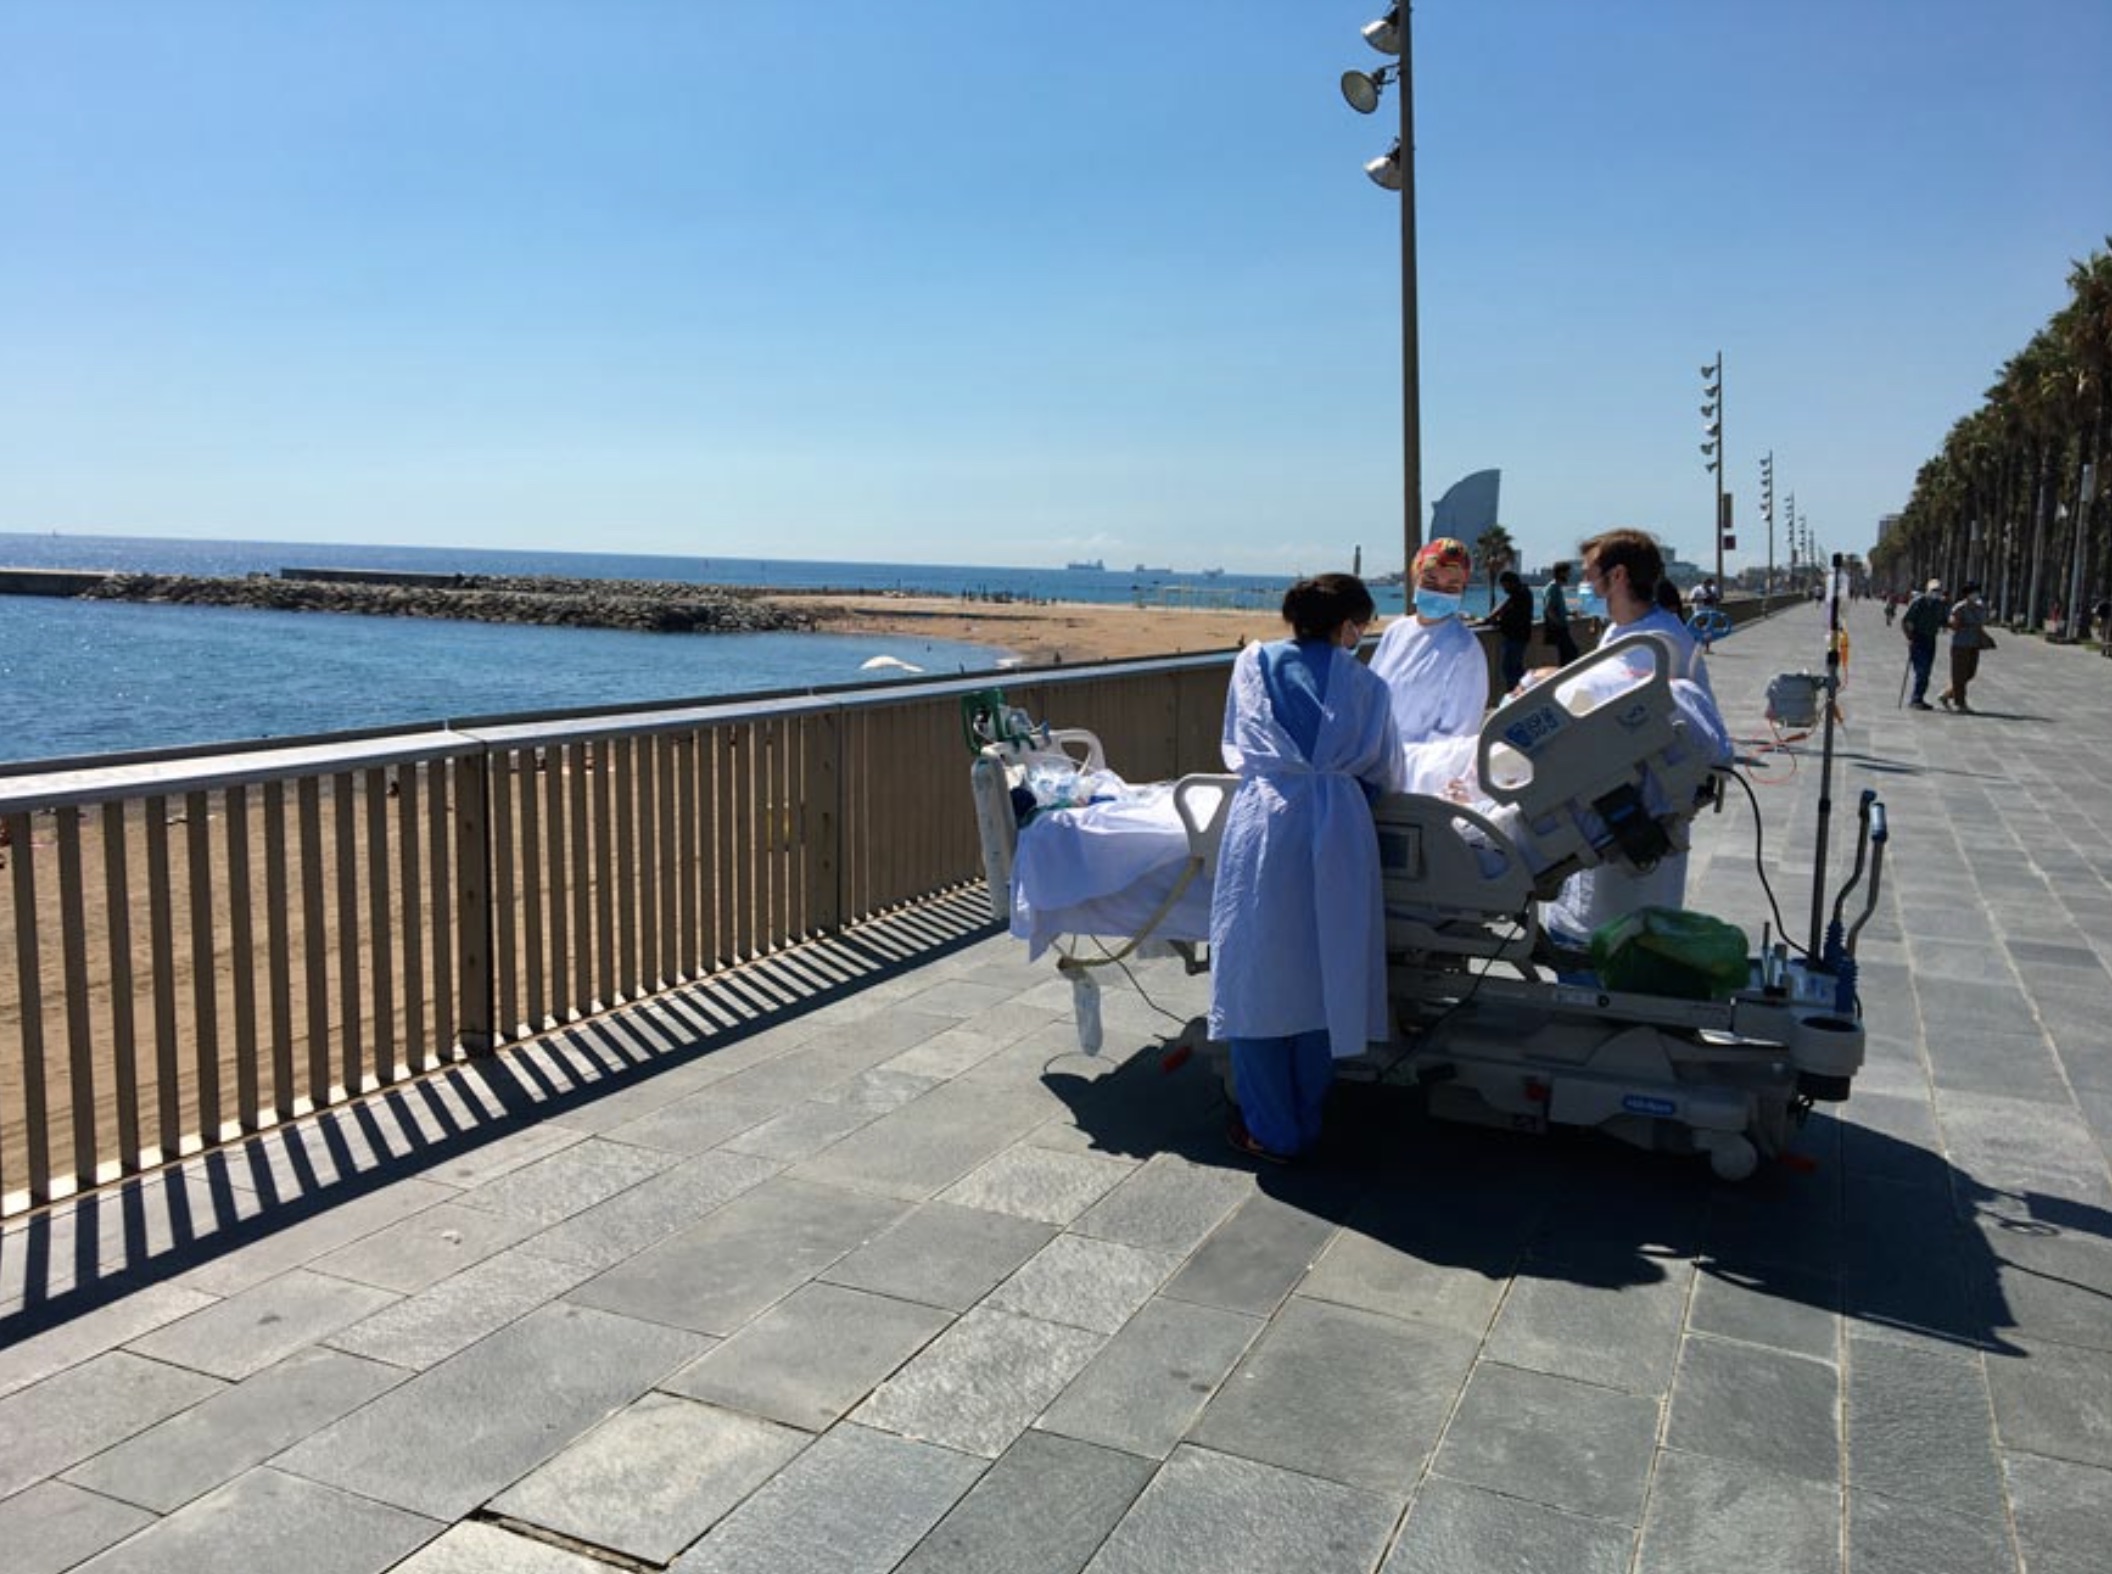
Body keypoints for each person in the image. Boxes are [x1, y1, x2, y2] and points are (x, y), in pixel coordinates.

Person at [1210, 573, 1405, 1162]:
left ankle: (1271, 1125)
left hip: (1266, 819)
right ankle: (1306, 1110)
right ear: (1349, 624)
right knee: (1327, 966)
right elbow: (1385, 771)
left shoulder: (1252, 663)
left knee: (1257, 971)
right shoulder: (1369, 686)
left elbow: (1237, 743)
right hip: (1340, 825)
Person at [1541, 528, 1723, 954]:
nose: (1584, 586)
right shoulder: (1631, 633)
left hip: (1628, 812)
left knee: (1616, 932)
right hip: (1616, 807)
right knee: (1620, 927)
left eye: (1590, 576)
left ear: (1617, 576)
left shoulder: (1656, 644)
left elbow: (1611, 715)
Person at [1368, 537, 1489, 790]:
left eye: (1451, 586)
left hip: (1418, 780)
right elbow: (1370, 695)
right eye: (1431, 582)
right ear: (1415, 579)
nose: (1439, 592)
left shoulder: (1464, 648)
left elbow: (1457, 735)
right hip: (1373, 767)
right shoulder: (1396, 631)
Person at [1938, 581, 1990, 712]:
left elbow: (1983, 622)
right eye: (1973, 592)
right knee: (1959, 674)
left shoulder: (1980, 607)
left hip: (1974, 643)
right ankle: (1960, 703)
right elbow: (1953, 624)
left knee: (1970, 673)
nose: (1976, 595)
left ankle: (1946, 694)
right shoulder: (1959, 607)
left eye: (1977, 592)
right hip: (1960, 644)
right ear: (1967, 594)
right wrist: (1954, 622)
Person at [1483, 569, 1535, 695]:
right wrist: (1492, 618)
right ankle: (1522, 692)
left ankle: (1517, 694)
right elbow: (1504, 606)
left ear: (1511, 583)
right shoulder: (1522, 592)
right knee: (1514, 668)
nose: (1504, 589)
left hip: (1516, 637)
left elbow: (1510, 613)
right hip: (1519, 636)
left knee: (1510, 669)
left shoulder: (1520, 594)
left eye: (1504, 585)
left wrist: (1494, 620)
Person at [1901, 578, 1946, 709]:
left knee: (1927, 671)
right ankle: (1915, 699)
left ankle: (1919, 698)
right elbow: (1906, 621)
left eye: (1938, 590)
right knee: (1922, 670)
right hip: (1918, 638)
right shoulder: (1919, 602)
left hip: (1931, 639)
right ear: (1928, 590)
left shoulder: (1939, 604)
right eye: (1934, 590)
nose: (1936, 593)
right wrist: (1909, 637)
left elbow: (1942, 620)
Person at [1542, 560, 1581, 666]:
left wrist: (1570, 613)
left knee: (1565, 656)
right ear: (1561, 573)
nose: (1569, 575)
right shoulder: (1552, 588)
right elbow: (1548, 609)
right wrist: (1558, 623)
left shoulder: (1557, 588)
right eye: (1567, 572)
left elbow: (1557, 608)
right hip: (1558, 629)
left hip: (1561, 628)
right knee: (1572, 653)